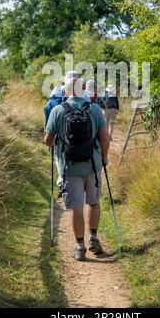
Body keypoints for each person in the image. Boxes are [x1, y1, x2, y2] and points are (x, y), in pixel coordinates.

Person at [44, 77, 110, 261]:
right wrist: (103, 158)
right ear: (83, 91)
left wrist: (54, 139)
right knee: (94, 202)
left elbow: (48, 141)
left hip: (69, 167)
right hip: (93, 165)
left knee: (76, 207)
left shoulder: (57, 111)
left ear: (65, 92)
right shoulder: (95, 110)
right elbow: (105, 138)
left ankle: (80, 247)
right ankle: (94, 239)